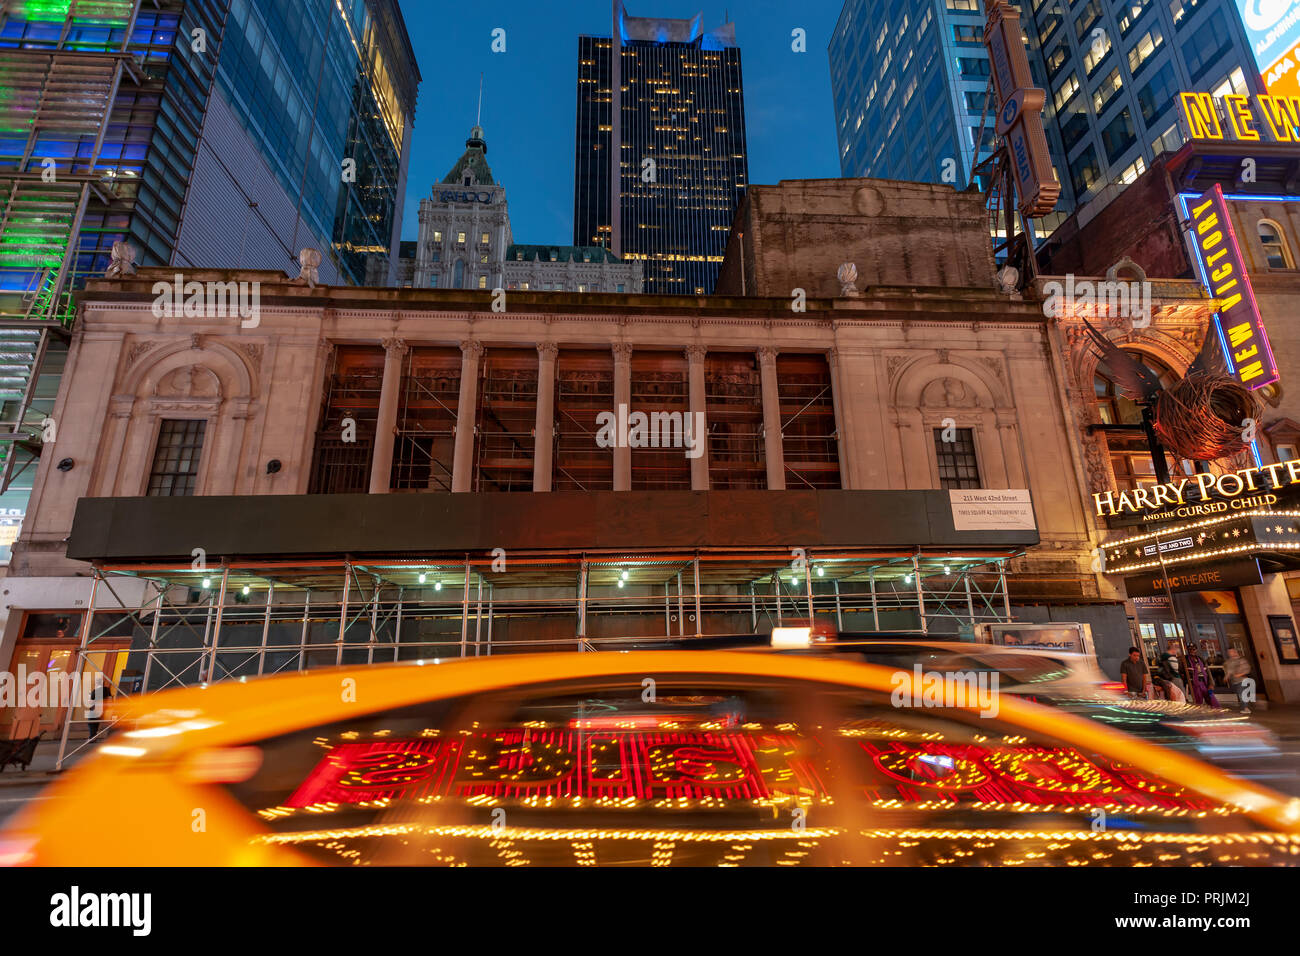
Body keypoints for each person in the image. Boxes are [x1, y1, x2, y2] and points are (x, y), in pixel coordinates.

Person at [1223, 648, 1252, 714]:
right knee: (1240, 694)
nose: (1230, 653)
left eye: (1232, 652)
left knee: (1242, 694)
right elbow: (1229, 672)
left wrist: (1239, 674)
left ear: (1235, 652)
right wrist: (1226, 677)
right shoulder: (1229, 662)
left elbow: (1247, 669)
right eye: (1229, 652)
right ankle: (1247, 704)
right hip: (1234, 681)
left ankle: (1246, 708)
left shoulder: (1241, 660)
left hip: (1242, 680)